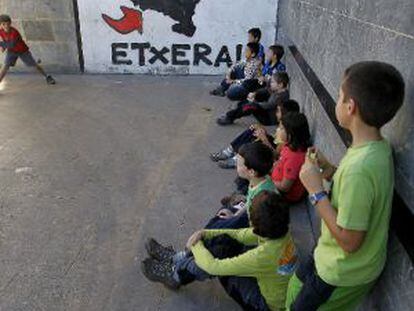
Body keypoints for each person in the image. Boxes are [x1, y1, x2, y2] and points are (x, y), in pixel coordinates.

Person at [286, 61, 405, 310]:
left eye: (340, 97)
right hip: (332, 257)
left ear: (350, 107)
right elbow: (358, 194)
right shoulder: (375, 148)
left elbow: (350, 242)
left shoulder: (360, 168)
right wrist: (329, 171)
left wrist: (316, 192)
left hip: (342, 272)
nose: (337, 101)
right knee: (296, 283)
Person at [142, 190, 297, 311]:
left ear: (257, 227)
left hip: (265, 306)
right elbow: (239, 235)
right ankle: (178, 262)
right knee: (226, 242)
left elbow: (214, 266)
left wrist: (196, 245)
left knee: (219, 258)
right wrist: (204, 233)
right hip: (280, 290)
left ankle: (176, 272)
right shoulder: (282, 232)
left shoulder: (263, 256)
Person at [212, 99, 300, 170]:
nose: (276, 113)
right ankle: (229, 151)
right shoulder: (282, 125)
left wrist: (264, 139)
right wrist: (263, 131)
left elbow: (276, 155)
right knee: (253, 129)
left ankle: (237, 160)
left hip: (271, 152)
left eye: (278, 111)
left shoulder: (286, 136)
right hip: (271, 143)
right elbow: (275, 138)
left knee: (257, 142)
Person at [217, 72, 290, 126]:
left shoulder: (280, 96)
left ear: (280, 85)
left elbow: (267, 105)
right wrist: (255, 93)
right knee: (257, 94)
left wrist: (254, 102)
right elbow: (267, 90)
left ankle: (230, 117)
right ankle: (239, 108)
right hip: (267, 110)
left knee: (250, 107)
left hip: (269, 119)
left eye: (273, 82)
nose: (271, 83)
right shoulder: (278, 90)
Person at [0, 15, 55, 85]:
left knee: (34, 66)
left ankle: (47, 76)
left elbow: (11, 44)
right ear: (1, 25)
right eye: (3, 24)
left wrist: (2, 45)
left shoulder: (14, 32)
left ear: (10, 23)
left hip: (22, 51)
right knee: (5, 67)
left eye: (8, 24)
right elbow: (6, 41)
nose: (6, 26)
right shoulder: (1, 31)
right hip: (12, 52)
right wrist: (3, 47)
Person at [270, 112, 311, 203]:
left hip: (286, 196)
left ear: (290, 134)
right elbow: (280, 160)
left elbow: (285, 187)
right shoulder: (288, 146)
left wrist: (268, 182)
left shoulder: (295, 158)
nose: (278, 130)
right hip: (276, 183)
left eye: (281, 128)